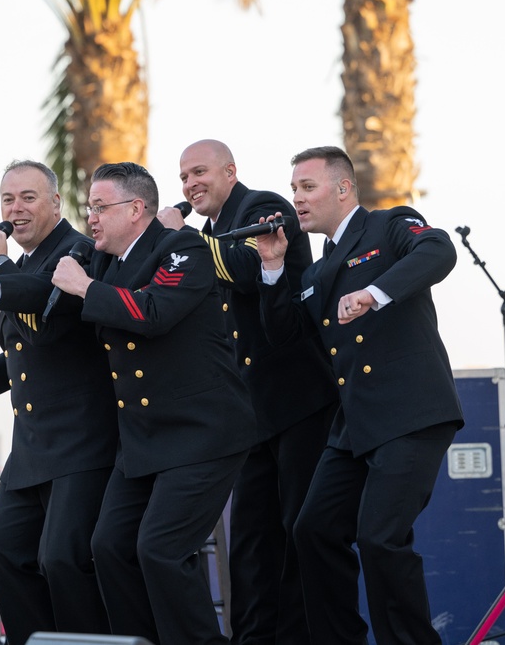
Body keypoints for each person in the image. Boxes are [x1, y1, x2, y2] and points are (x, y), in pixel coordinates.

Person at [254, 146, 464, 645]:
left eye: (308, 187)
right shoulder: (318, 271)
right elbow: (283, 334)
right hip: (353, 427)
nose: (296, 200)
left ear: (343, 188)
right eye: (294, 190)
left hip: (409, 413)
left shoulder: (390, 225)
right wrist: (271, 266)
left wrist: (375, 293)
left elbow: (439, 251)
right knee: (314, 530)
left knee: (380, 538)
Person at [51, 161, 257, 645]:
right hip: (144, 439)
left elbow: (155, 312)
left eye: (101, 207)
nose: (92, 218)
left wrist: (84, 288)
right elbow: (46, 290)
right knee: (110, 546)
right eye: (89, 208)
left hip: (202, 433)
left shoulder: (181, 249)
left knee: (161, 550)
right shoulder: (106, 262)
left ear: (137, 208)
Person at [157, 139, 339, 644]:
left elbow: (243, 268)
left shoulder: (264, 207)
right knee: (253, 544)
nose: (190, 185)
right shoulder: (207, 232)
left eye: (199, 172)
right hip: (249, 412)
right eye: (183, 177)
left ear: (229, 172)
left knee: (299, 532)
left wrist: (182, 239)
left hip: (298, 401)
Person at [0, 160, 117, 643]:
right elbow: (26, 344)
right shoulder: (25, 263)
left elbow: (50, 321)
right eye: (8, 200)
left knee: (63, 559)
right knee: (0, 554)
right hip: (33, 447)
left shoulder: (77, 251)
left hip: (81, 441)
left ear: (56, 203)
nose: (15, 209)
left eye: (28, 198)